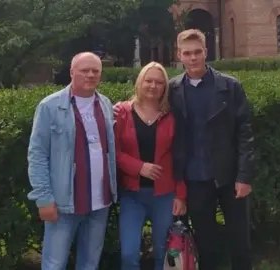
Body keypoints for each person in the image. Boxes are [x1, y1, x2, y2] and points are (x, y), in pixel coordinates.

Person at [114, 29, 255, 270]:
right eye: (187, 53)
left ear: (205, 52)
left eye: (197, 52)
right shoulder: (173, 89)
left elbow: (245, 134)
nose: (193, 58)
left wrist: (245, 175)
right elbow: (145, 105)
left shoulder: (230, 87)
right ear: (180, 55)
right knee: (205, 240)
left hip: (228, 174)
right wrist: (120, 108)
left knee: (239, 238)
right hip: (195, 177)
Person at [27, 52, 117, 270]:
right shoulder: (50, 107)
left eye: (95, 71)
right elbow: (37, 155)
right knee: (54, 263)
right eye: (84, 70)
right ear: (71, 72)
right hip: (64, 202)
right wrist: (44, 198)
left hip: (99, 202)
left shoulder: (104, 104)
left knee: (90, 263)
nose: (90, 75)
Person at [114, 61, 187, 270]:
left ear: (165, 87)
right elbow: (114, 152)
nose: (153, 86)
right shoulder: (122, 113)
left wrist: (180, 195)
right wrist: (139, 167)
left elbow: (179, 157)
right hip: (132, 194)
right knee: (128, 254)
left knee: (164, 253)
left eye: (159, 82)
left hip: (163, 195)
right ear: (140, 82)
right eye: (148, 81)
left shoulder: (171, 117)